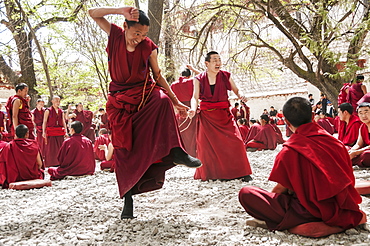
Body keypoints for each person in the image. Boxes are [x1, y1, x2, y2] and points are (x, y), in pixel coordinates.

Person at [88, 6, 201, 219]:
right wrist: (121, 10)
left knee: (163, 100)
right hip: (119, 102)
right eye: (135, 33)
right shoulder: (115, 35)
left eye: (143, 34)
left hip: (143, 94)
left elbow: (157, 75)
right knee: (123, 149)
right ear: (125, 27)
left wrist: (176, 101)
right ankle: (128, 199)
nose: (139, 38)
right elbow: (92, 13)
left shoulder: (149, 47)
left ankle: (176, 152)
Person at [239, 97, 366, 237]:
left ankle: (300, 224)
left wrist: (270, 201)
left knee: (247, 193)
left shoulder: (288, 151)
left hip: (305, 211)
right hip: (339, 207)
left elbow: (280, 189)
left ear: (286, 122)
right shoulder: (336, 144)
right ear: (312, 116)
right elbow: (349, 179)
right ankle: (337, 223)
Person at [189, 51, 252, 181]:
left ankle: (242, 172)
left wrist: (241, 95)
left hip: (224, 115)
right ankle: (212, 174)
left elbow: (236, 89)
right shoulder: (198, 79)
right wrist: (193, 109)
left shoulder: (225, 76)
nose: (218, 63)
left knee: (236, 142)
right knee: (207, 147)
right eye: (214, 60)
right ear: (207, 63)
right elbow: (194, 97)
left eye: (219, 60)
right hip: (207, 117)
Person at [0, 125, 44, 189]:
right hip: (33, 176)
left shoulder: (9, 146)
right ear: (27, 134)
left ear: (15, 134)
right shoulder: (33, 145)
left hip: (15, 178)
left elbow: (3, 165)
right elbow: (40, 164)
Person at [170, 65, 200, 157]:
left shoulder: (173, 84)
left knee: (181, 132)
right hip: (191, 109)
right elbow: (203, 76)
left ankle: (182, 153)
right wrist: (194, 69)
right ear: (189, 76)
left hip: (180, 111)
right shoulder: (191, 81)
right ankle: (193, 153)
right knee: (194, 132)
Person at [42, 96, 68, 167]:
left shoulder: (61, 111)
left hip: (59, 131)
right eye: (56, 100)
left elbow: (63, 121)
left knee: (60, 147)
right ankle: (51, 162)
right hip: (51, 131)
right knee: (51, 148)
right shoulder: (48, 110)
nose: (58, 102)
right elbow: (44, 121)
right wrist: (43, 132)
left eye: (59, 101)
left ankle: (60, 161)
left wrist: (66, 131)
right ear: (52, 101)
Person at [349, 102, 370, 167]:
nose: (364, 116)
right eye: (361, 113)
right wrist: (351, 151)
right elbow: (359, 144)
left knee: (366, 155)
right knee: (346, 149)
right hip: (365, 150)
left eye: (366, 112)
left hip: (367, 152)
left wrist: (357, 152)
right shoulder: (362, 127)